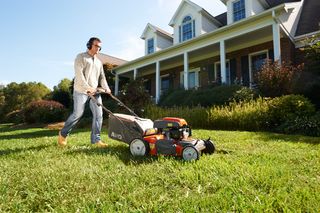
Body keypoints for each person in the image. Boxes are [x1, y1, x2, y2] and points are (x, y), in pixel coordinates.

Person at [58, 37, 111, 148]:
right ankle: (63, 134)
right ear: (89, 45)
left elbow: (102, 77)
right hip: (81, 90)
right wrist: (87, 88)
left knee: (99, 115)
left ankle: (96, 140)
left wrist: (106, 88)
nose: (98, 48)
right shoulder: (81, 57)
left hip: (95, 92)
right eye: (96, 46)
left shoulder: (99, 62)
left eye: (100, 47)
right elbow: (79, 75)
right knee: (78, 114)